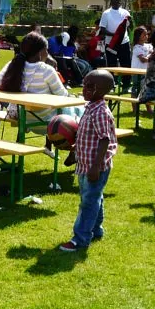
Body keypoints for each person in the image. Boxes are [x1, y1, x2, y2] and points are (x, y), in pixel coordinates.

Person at [59, 70, 117, 251]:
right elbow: (87, 135)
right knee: (93, 197)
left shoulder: (100, 112)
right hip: (85, 163)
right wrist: (74, 150)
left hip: (95, 166)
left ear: (102, 90)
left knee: (88, 201)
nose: (84, 89)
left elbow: (104, 140)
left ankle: (81, 238)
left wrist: (96, 167)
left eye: (90, 86)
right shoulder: (90, 107)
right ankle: (96, 230)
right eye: (84, 84)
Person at [0, 31, 72, 157]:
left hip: (21, 117)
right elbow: (63, 95)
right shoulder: (47, 70)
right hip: (45, 121)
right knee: (77, 112)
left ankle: (48, 147)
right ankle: (73, 149)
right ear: (41, 52)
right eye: (47, 50)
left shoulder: (14, 65)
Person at [99, 0, 132, 91]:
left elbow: (129, 26)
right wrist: (114, 35)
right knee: (111, 64)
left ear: (121, 2)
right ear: (111, 2)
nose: (117, 2)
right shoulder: (106, 13)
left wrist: (130, 22)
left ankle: (126, 85)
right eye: (115, 0)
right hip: (111, 43)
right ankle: (111, 85)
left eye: (119, 0)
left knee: (126, 64)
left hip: (124, 42)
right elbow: (102, 29)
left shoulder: (125, 12)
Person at [130, 26, 152, 101]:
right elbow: (143, 59)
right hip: (136, 72)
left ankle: (148, 106)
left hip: (145, 71)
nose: (146, 36)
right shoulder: (136, 47)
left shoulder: (149, 46)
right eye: (144, 34)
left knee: (146, 89)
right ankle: (134, 106)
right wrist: (150, 55)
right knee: (136, 88)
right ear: (138, 36)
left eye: (147, 34)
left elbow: (153, 55)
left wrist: (149, 56)